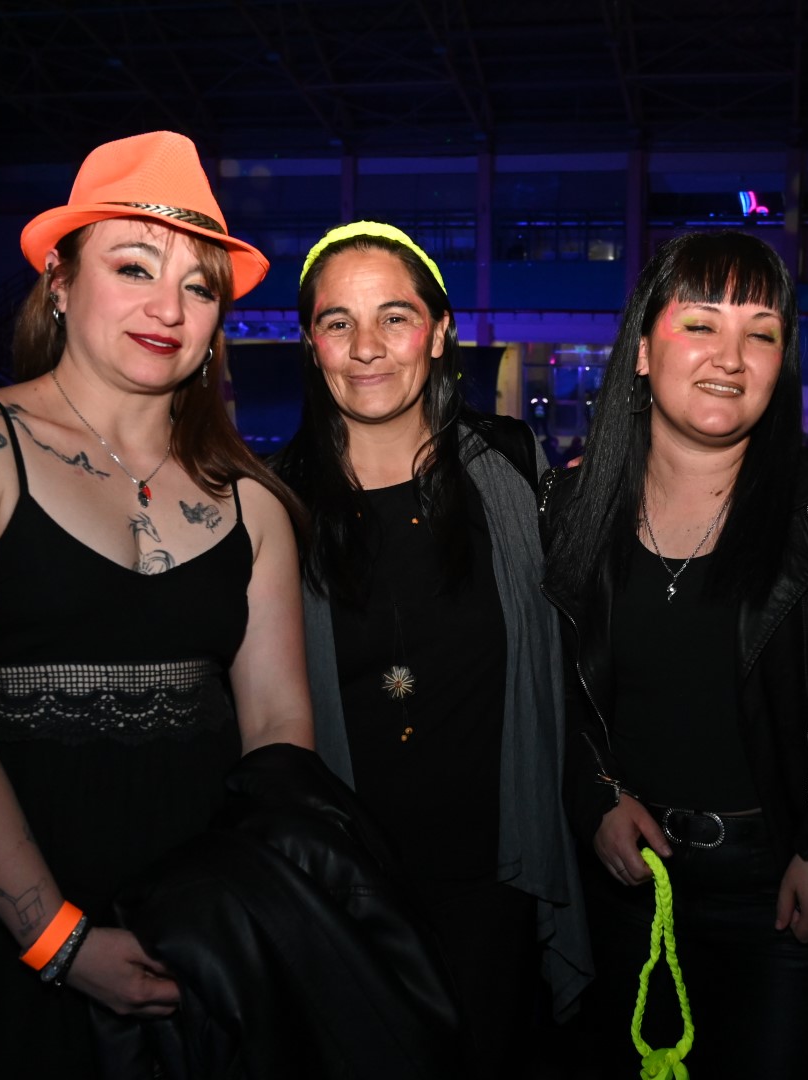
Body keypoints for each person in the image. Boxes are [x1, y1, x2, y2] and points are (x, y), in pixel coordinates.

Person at [0, 131, 313, 1078]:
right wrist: (57, 939)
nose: (168, 307)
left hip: (191, 924)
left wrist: (241, 910)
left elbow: (277, 729)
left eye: (199, 287)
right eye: (133, 266)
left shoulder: (254, 502)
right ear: (59, 282)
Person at [271, 221, 590, 1077]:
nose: (366, 348)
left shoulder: (512, 467)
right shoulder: (272, 502)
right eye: (337, 322)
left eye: (395, 317)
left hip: (496, 873)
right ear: (310, 343)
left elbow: (578, 653)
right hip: (347, 889)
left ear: (440, 332)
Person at [540, 230, 808, 1075]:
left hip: (783, 887)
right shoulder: (567, 507)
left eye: (761, 333)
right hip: (631, 885)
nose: (730, 356)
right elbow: (553, 691)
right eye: (700, 325)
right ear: (643, 352)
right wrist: (599, 798)